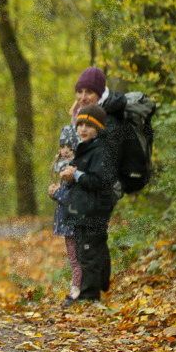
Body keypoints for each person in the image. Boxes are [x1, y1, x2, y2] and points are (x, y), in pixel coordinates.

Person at [59, 104, 116, 303]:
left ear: (99, 128)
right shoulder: (85, 148)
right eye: (80, 124)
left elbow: (98, 181)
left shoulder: (101, 151)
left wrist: (77, 175)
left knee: (89, 254)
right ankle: (98, 287)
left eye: (88, 125)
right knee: (89, 251)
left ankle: (90, 296)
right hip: (83, 211)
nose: (82, 129)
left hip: (94, 211)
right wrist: (70, 177)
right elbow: (83, 178)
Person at [48, 123, 81, 306]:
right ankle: (77, 288)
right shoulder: (62, 169)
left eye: (70, 147)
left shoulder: (74, 170)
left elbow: (72, 197)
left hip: (74, 220)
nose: (66, 150)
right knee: (73, 257)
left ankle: (76, 291)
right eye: (63, 146)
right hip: (68, 221)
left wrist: (56, 193)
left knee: (76, 258)